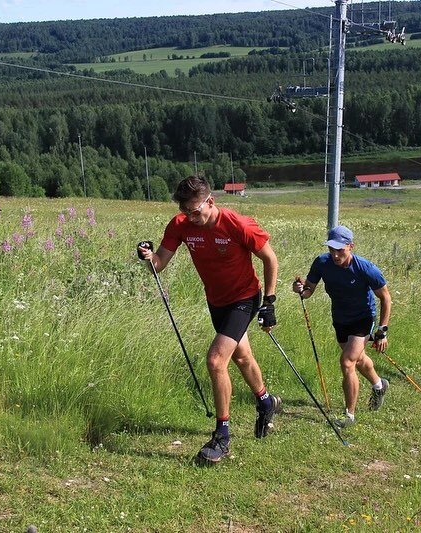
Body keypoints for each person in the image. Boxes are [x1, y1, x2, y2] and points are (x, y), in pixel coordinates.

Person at [138, 176, 281, 465]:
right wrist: (148, 256)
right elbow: (159, 264)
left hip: (244, 298)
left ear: (210, 201)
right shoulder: (180, 225)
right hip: (216, 301)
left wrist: (269, 303)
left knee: (216, 361)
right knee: (242, 358)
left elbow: (270, 259)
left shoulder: (238, 224)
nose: (191, 217)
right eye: (186, 211)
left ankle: (222, 436)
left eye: (196, 211)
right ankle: (266, 403)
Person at [292, 225, 392, 428]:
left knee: (347, 362)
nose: (335, 255)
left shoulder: (366, 268)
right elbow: (309, 290)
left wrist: (382, 330)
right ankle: (379, 385)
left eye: (340, 250)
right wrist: (301, 290)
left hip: (363, 318)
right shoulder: (322, 263)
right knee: (358, 358)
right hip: (340, 318)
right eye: (331, 249)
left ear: (351, 246)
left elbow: (386, 298)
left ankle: (349, 416)